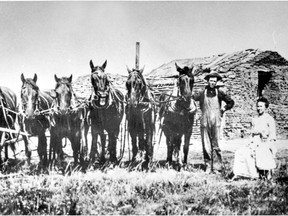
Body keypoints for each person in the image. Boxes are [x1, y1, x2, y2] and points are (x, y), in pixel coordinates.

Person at [193, 72, 235, 173]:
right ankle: (208, 165)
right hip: (204, 121)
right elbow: (193, 98)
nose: (212, 82)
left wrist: (223, 109)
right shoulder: (202, 92)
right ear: (208, 81)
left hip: (216, 121)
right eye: (211, 81)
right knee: (206, 144)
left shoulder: (219, 92)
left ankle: (217, 167)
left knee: (215, 144)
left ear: (216, 82)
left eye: (214, 81)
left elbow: (231, 102)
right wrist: (196, 112)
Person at [232, 97, 277, 180]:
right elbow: (251, 134)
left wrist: (271, 146)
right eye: (258, 106)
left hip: (264, 142)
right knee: (240, 152)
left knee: (261, 151)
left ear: (266, 107)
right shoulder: (254, 119)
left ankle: (264, 174)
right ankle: (249, 174)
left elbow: (272, 135)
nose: (259, 108)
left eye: (261, 106)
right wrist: (250, 143)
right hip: (254, 142)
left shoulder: (269, 119)